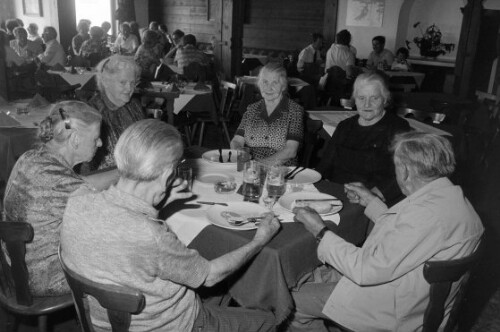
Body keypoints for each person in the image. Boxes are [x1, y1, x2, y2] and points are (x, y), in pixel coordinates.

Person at [61, 119, 280, 331]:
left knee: (222, 293)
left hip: (100, 323)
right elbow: (211, 275)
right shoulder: (151, 235)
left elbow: (127, 231)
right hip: (174, 325)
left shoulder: (77, 200)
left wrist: (160, 203)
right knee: (269, 320)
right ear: (167, 173)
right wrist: (259, 240)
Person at [290, 131, 484, 332]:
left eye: (397, 166)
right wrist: (371, 202)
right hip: (415, 297)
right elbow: (408, 234)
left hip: (390, 310)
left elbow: (365, 270)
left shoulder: (425, 216)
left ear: (406, 171)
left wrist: (319, 230)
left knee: (287, 304)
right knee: (312, 276)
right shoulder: (451, 197)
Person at [2, 101, 118, 297]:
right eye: (96, 138)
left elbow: (77, 183)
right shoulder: (61, 183)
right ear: (74, 139)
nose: (100, 144)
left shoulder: (32, 157)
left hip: (12, 266)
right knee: (121, 258)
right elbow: (109, 213)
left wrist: (121, 172)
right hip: (40, 277)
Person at [316, 72, 410, 204]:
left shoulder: (397, 128)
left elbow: (405, 173)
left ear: (385, 99)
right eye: (361, 98)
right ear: (354, 99)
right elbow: (325, 165)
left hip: (374, 200)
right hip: (338, 195)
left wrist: (371, 196)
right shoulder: (345, 126)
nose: (367, 105)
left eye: (374, 98)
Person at [231, 63, 304, 166]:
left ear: (283, 86)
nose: (269, 88)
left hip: (280, 173)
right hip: (250, 170)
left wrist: (257, 166)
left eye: (275, 83)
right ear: (259, 84)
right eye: (265, 82)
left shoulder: (294, 111)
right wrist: (240, 153)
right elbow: (236, 141)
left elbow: (290, 151)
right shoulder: (252, 109)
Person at [86, 55, 145, 170]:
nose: (129, 89)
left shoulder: (134, 106)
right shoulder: (92, 112)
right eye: (123, 83)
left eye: (132, 83)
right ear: (105, 82)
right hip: (105, 178)